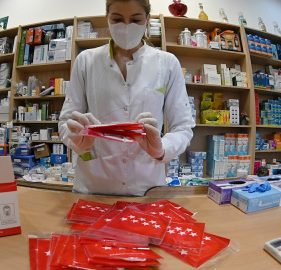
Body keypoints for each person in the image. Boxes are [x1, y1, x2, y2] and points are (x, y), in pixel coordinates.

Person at [58, 0, 194, 196]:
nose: (126, 27)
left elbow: (183, 127)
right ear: (107, 19)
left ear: (147, 20)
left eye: (136, 19)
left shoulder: (167, 63)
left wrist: (161, 149)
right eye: (118, 19)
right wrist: (76, 140)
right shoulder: (86, 61)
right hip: (93, 186)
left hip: (146, 187)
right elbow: (66, 122)